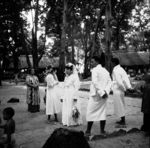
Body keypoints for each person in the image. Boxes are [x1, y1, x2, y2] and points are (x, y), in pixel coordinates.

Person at [85, 55, 112, 137]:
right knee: (102, 112)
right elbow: (110, 82)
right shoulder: (106, 71)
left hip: (96, 95)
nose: (91, 63)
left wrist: (101, 93)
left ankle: (88, 131)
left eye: (92, 61)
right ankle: (102, 131)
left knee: (90, 112)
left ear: (97, 62)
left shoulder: (95, 70)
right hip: (103, 95)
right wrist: (106, 92)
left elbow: (95, 82)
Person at [111, 57, 132, 126]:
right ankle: (122, 119)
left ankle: (123, 121)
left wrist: (125, 89)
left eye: (111, 63)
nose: (111, 64)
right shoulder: (121, 69)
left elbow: (119, 82)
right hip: (121, 90)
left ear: (113, 63)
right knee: (121, 105)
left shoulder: (116, 70)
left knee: (119, 105)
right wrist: (129, 87)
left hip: (118, 89)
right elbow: (126, 79)